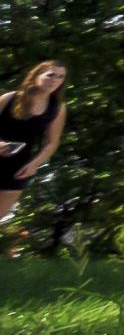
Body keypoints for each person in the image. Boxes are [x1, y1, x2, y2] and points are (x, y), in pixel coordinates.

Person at [0, 61, 69, 222]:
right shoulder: (10, 98)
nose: (55, 80)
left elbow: (52, 143)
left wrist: (34, 164)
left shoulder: (57, 108)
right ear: (36, 75)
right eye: (50, 75)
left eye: (60, 77)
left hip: (19, 167)